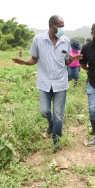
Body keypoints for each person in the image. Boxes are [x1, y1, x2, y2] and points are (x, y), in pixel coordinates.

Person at [12, 15, 82, 150]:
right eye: (60, 26)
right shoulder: (38, 40)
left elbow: (66, 60)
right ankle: (51, 124)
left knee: (58, 114)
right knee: (44, 111)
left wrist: (72, 59)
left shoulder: (65, 40)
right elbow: (34, 59)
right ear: (52, 25)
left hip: (61, 82)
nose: (62, 28)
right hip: (44, 82)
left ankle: (56, 141)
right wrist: (25, 62)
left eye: (63, 25)